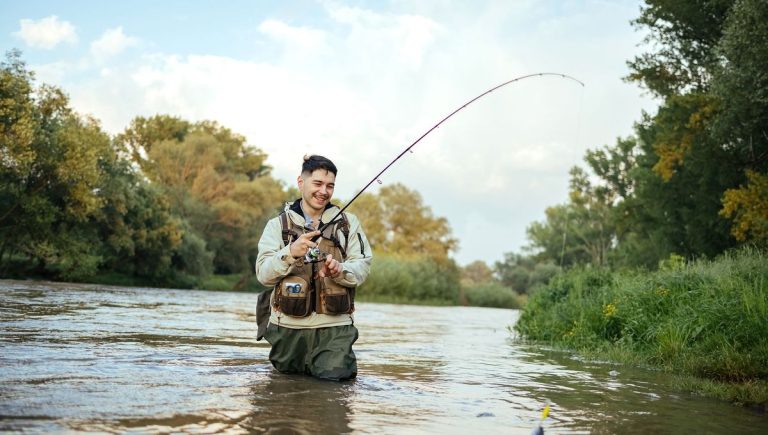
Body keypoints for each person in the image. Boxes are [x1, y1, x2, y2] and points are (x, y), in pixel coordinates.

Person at [255, 155, 372, 381]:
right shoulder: (276, 226)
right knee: (283, 394)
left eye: (330, 186)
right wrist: (290, 252)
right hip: (287, 329)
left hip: (335, 328)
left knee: (334, 395)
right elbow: (264, 275)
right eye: (317, 184)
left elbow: (362, 266)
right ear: (301, 182)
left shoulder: (349, 224)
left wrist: (340, 271)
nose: (324, 191)